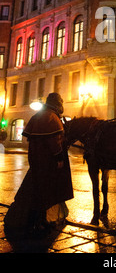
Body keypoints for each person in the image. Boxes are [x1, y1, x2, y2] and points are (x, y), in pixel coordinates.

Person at [4, 93, 73, 237]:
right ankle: (39, 223)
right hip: (48, 164)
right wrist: (59, 158)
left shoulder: (38, 116)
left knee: (31, 190)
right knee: (45, 193)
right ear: (57, 103)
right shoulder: (51, 118)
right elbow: (55, 143)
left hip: (35, 162)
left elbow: (32, 140)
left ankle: (27, 219)